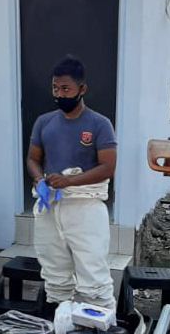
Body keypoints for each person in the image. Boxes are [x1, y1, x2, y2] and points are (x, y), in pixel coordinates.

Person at [26, 56, 118, 311]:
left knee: (93, 277)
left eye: (65, 89)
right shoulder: (44, 122)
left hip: (85, 208)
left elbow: (108, 167)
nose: (59, 94)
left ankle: (98, 333)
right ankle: (61, 325)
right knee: (54, 275)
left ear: (82, 89)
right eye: (55, 88)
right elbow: (33, 159)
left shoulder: (99, 124)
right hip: (50, 207)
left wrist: (69, 181)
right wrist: (39, 179)